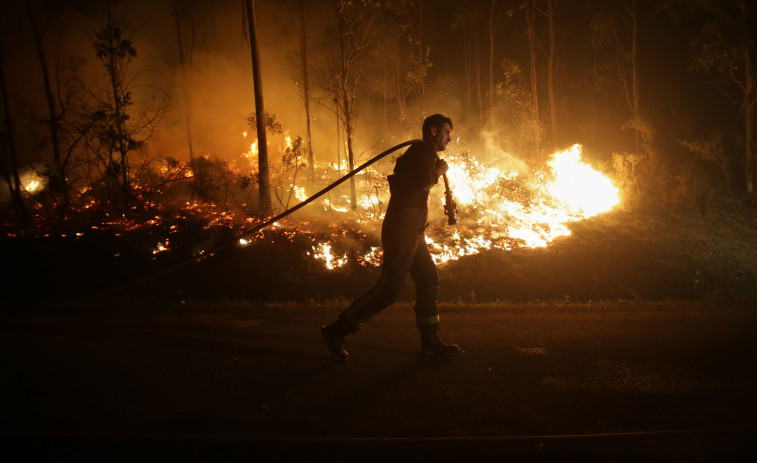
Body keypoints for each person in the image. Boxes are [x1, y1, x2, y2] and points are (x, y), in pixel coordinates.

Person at [321, 114, 462, 360]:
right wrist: (438, 172)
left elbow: (410, 186)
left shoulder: (421, 152)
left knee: (428, 279)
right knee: (389, 289)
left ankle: (430, 341)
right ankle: (337, 330)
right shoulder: (424, 150)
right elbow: (416, 184)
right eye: (446, 132)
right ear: (433, 130)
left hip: (412, 231)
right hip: (402, 231)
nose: (450, 138)